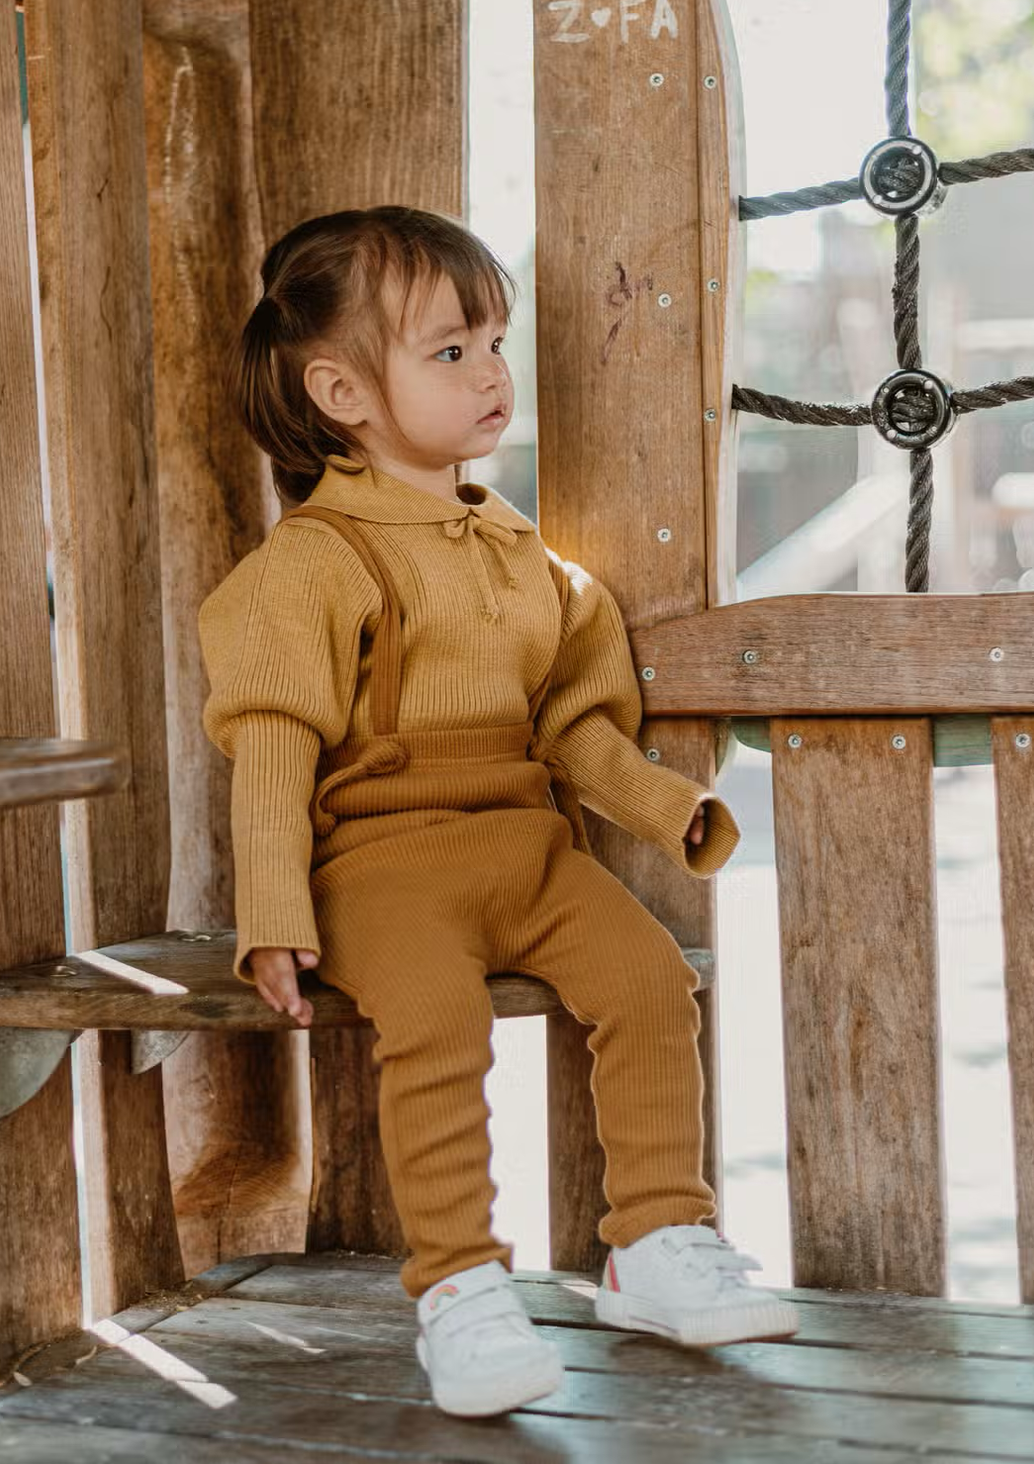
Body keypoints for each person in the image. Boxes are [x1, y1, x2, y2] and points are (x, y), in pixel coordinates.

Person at [198, 205, 797, 1419]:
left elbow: (573, 726)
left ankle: (654, 1243)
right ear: (340, 393)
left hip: (530, 854)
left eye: (493, 343)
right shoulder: (307, 566)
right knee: (433, 1019)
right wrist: (271, 913)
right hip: (380, 871)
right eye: (448, 350)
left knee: (648, 980)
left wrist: (665, 807)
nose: (489, 373)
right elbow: (270, 743)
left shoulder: (526, 557)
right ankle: (461, 1288)